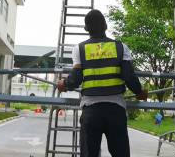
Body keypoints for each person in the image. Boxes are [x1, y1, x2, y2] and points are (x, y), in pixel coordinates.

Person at [57, 9, 147, 157]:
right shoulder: (121, 47)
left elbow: (76, 78)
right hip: (116, 111)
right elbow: (128, 76)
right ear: (105, 26)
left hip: (91, 112)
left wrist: (64, 84)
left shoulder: (80, 49)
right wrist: (140, 92)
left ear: (86, 29)